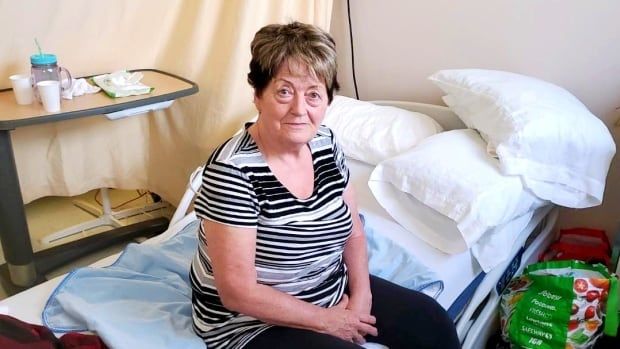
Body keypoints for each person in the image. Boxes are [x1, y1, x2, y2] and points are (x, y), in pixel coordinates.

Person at [189, 21, 460, 349]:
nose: (300, 109)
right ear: (258, 95)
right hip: (250, 321)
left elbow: (354, 230)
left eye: (313, 94)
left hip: (329, 288)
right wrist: (328, 321)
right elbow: (237, 292)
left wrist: (361, 297)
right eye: (284, 91)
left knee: (432, 323)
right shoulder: (232, 172)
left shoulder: (325, 143)